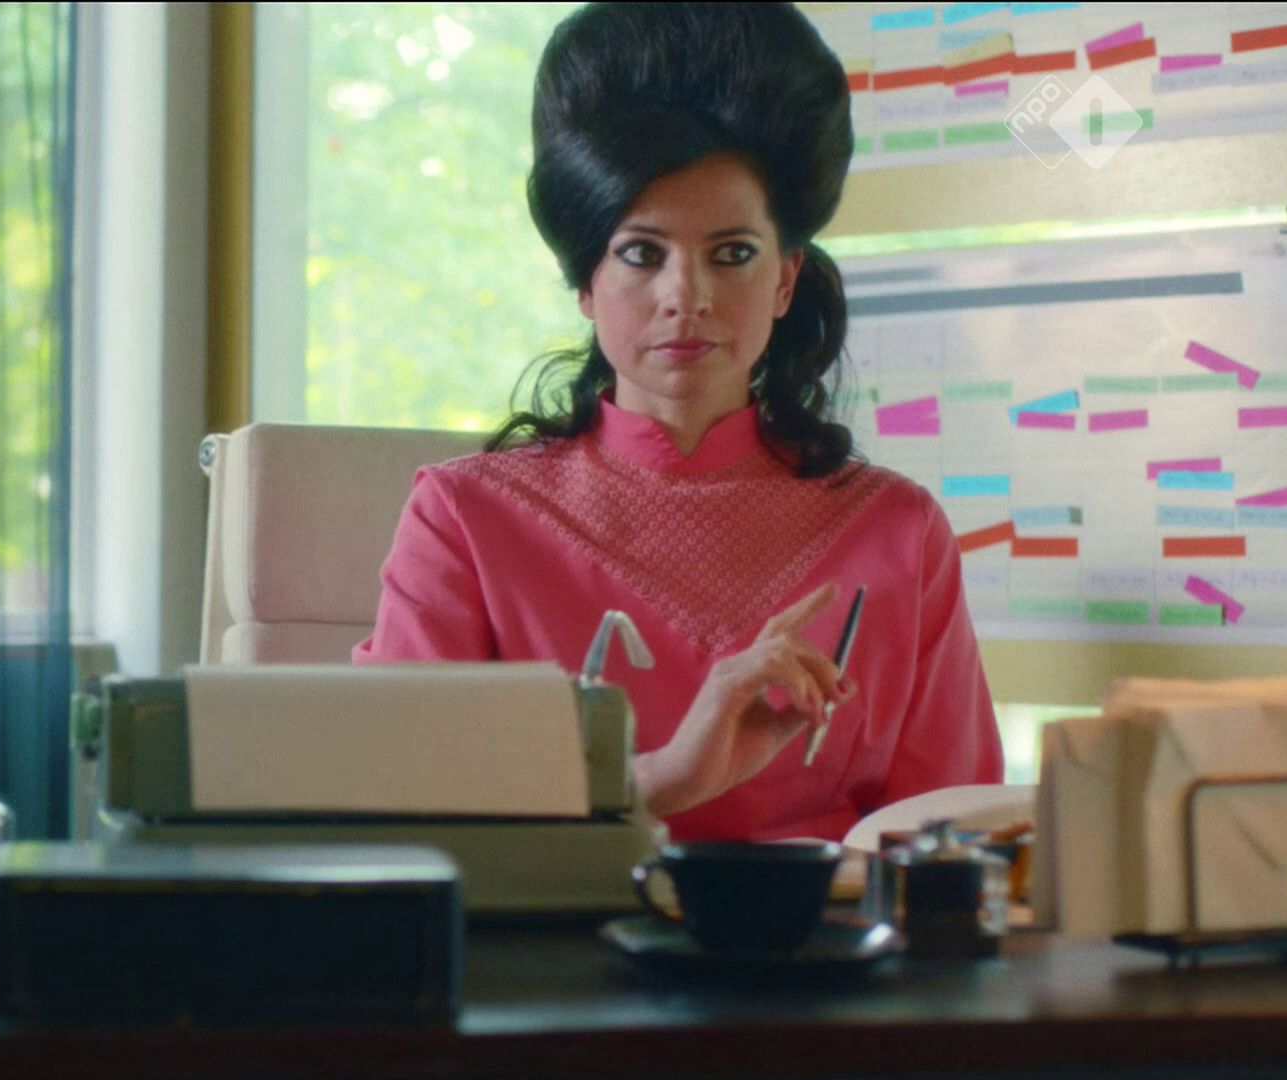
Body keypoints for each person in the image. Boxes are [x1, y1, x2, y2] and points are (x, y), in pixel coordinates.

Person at [352, 2, 1004, 842]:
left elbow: (956, 833)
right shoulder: (465, 520)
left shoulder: (899, 532)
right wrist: (662, 780)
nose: (685, 296)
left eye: (732, 254)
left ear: (785, 279)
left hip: (830, 929)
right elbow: (400, 808)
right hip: (556, 927)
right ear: (584, 282)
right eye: (641, 252)